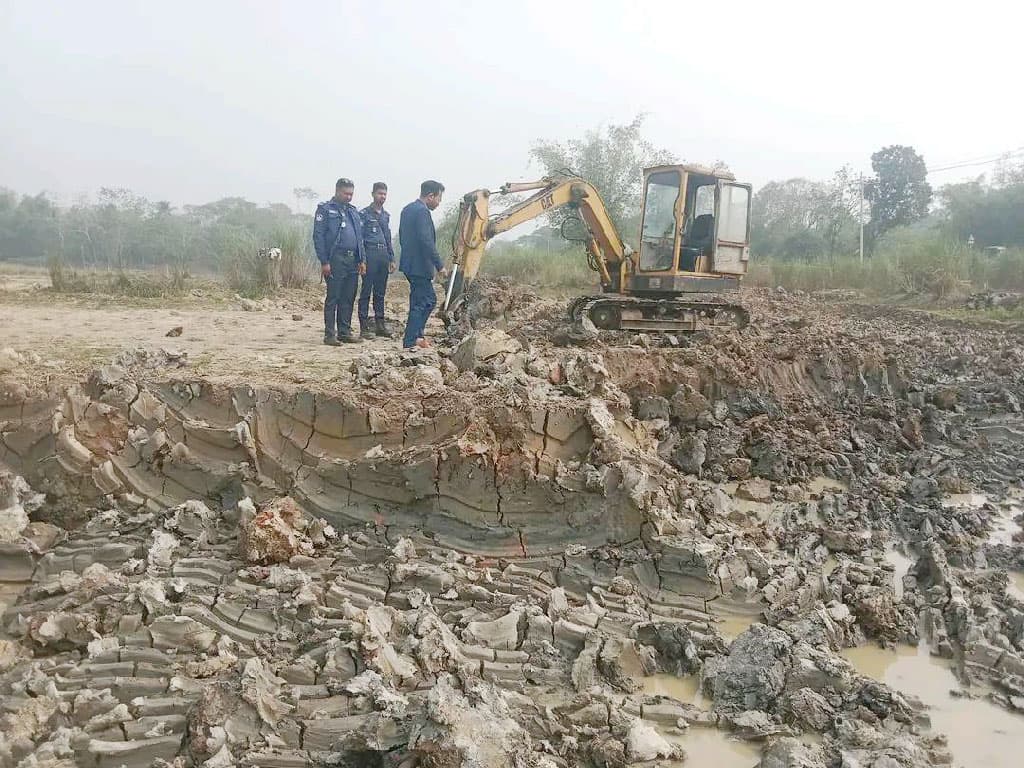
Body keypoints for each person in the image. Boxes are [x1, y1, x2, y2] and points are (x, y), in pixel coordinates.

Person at [313, 178, 366, 345]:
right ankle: (330, 335)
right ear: (337, 191)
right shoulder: (326, 209)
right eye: (346, 193)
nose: (349, 197)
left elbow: (359, 237)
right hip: (335, 258)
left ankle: (344, 332)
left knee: (348, 297)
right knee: (333, 296)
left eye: (351, 194)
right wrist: (324, 261)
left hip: (352, 260)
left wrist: (362, 259)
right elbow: (318, 236)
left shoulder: (353, 211)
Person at [398, 180, 445, 350]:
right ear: (430, 196)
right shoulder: (422, 212)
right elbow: (426, 241)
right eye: (439, 198)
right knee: (428, 300)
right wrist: (439, 265)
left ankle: (417, 336)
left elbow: (403, 236)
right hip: (419, 265)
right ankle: (412, 339)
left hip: (409, 263)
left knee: (418, 299)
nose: (439, 203)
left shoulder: (407, 209)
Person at [357, 182, 395, 339]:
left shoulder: (385, 216)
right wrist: (362, 260)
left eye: (385, 194)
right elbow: (360, 239)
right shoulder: (364, 214)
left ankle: (380, 325)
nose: (383, 197)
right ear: (373, 194)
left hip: (383, 255)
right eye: (380, 193)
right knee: (366, 291)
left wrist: (391, 258)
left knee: (380, 293)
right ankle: (364, 327)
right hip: (370, 254)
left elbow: (388, 238)